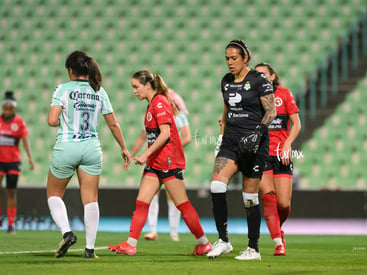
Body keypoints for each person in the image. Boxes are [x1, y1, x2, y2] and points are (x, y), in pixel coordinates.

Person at [108, 70, 211, 256]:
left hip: (169, 161)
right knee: (142, 202)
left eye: (136, 87)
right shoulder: (152, 104)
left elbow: (165, 134)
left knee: (182, 204)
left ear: (147, 85)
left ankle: (203, 243)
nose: (134, 91)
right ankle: (131, 244)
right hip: (156, 163)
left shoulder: (160, 102)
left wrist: (144, 154)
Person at [47, 50, 130, 258]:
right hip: (92, 148)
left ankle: (67, 233)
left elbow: (51, 120)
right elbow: (113, 123)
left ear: (70, 70)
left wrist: (63, 120)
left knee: (54, 195)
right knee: (91, 199)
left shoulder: (63, 89)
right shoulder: (99, 91)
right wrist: (123, 147)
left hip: (67, 145)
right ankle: (90, 249)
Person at [207, 40, 276, 261]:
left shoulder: (259, 79)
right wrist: (221, 136)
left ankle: (253, 248)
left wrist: (258, 132)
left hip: (254, 143)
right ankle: (223, 240)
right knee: (217, 185)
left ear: (245, 58)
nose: (229, 63)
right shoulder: (226, 81)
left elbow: (271, 111)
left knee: (249, 197)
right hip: (231, 141)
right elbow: (227, 109)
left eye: (234, 58)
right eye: (227, 58)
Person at [129, 89, 191, 242]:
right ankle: (152, 230)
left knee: (174, 197)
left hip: (171, 161)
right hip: (155, 160)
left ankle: (174, 232)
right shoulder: (154, 113)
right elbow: (143, 137)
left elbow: (187, 137)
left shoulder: (179, 116)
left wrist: (173, 150)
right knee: (150, 194)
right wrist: (131, 154)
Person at [255, 63, 301, 256]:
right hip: (262, 153)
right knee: (269, 198)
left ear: (273, 76)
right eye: (256, 75)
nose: (260, 77)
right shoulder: (253, 97)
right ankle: (278, 242)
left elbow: (296, 123)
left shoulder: (284, 94)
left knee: (283, 204)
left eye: (264, 74)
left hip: (281, 155)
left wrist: (288, 144)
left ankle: (278, 228)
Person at [0, 91, 34, 234]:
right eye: (5, 108)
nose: (7, 111)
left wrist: (30, 159)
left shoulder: (19, 122)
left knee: (11, 192)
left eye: (10, 108)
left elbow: (25, 141)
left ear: (13, 109)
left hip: (13, 161)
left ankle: (11, 225)